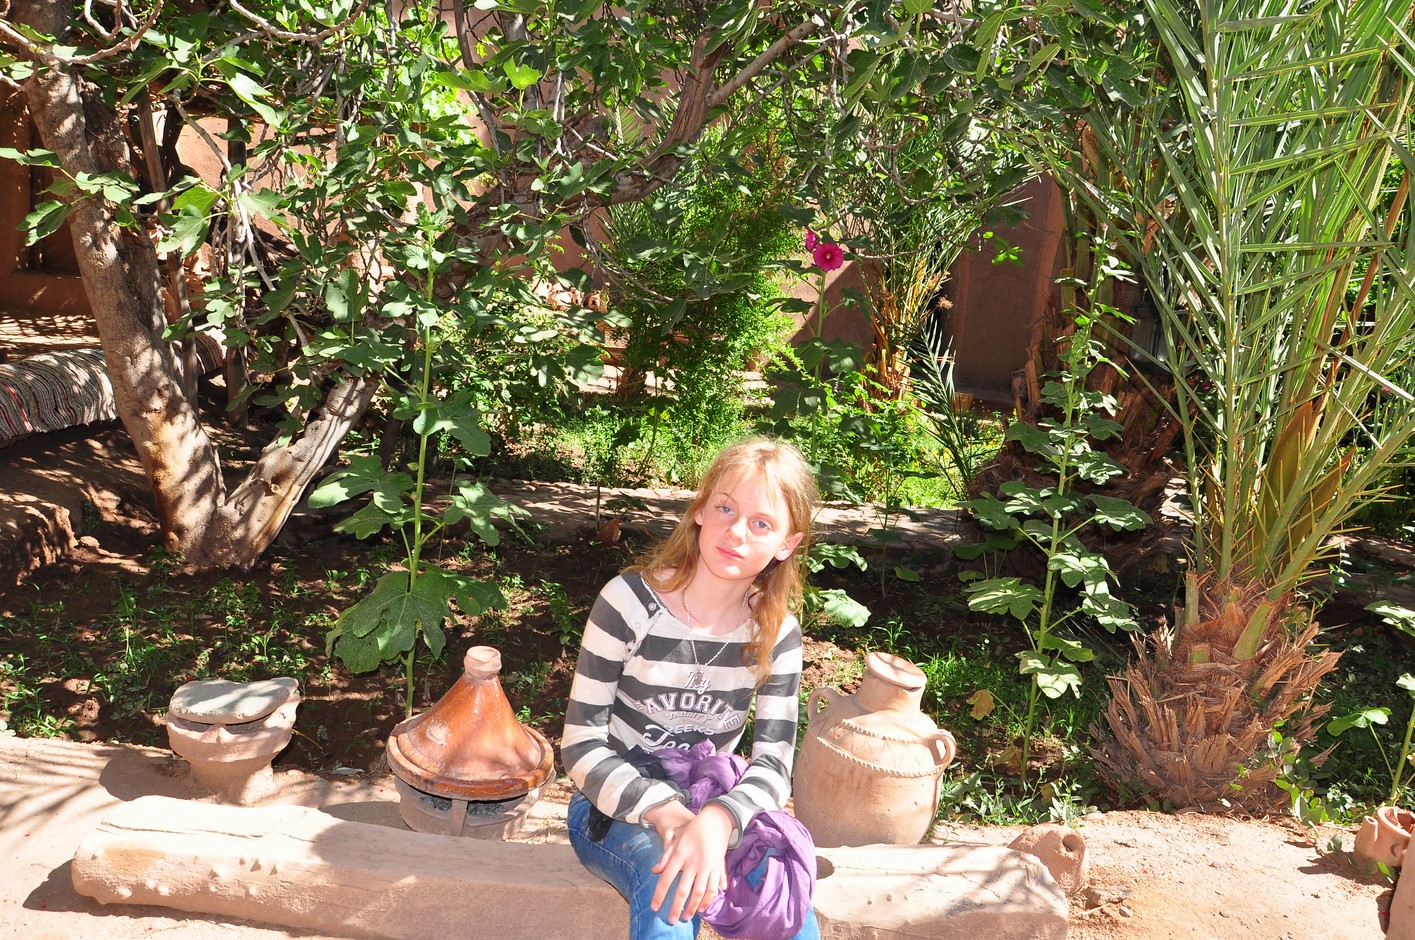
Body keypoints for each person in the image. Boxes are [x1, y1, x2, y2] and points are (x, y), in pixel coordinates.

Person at [561, 436, 822, 940]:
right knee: (672, 886)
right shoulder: (628, 604)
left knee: (788, 908)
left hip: (714, 804)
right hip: (615, 805)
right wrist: (666, 812)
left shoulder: (776, 633)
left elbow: (774, 765)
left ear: (787, 544)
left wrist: (720, 820)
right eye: (725, 508)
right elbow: (581, 745)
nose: (736, 531)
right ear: (700, 509)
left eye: (761, 523)